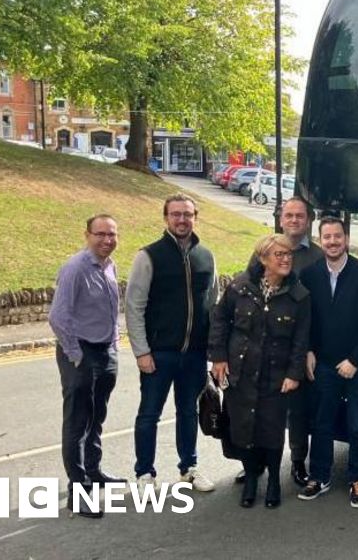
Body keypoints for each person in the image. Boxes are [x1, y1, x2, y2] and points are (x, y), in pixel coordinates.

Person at [209, 234, 311, 509]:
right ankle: (252, 477)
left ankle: (275, 480)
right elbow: (220, 320)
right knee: (243, 428)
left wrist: (294, 374)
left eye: (288, 254)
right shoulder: (241, 287)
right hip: (241, 372)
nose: (286, 259)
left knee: (272, 430)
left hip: (276, 376)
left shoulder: (298, 296)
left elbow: (301, 340)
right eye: (279, 254)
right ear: (263, 258)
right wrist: (218, 357)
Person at [126, 193, 217, 493]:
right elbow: (134, 306)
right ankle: (144, 474)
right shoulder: (149, 256)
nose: (182, 219)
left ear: (195, 217)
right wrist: (141, 351)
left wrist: (211, 350)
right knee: (149, 413)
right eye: (176, 214)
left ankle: (188, 469)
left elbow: (212, 304)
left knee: (188, 411)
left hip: (194, 354)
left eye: (187, 214)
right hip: (158, 353)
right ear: (166, 218)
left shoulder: (206, 256)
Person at [297, 216, 358, 508]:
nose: (332, 242)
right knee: (321, 422)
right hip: (323, 363)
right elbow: (305, 319)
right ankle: (319, 476)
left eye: (337, 236)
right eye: (327, 237)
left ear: (346, 239)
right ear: (320, 240)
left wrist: (355, 360)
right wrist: (309, 349)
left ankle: (357, 479)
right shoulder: (309, 275)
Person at [48, 214, 122, 519]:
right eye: (100, 234)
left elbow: (109, 308)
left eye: (112, 235)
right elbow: (58, 316)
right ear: (87, 235)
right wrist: (75, 353)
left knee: (97, 416)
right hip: (81, 354)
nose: (107, 240)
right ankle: (78, 492)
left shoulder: (109, 266)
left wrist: (114, 342)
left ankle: (93, 471)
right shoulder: (75, 268)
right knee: (77, 422)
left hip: (105, 351)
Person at [277, 197, 323, 487]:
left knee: (298, 411)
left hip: (301, 346)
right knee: (264, 407)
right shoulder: (267, 250)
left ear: (309, 220)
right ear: (282, 219)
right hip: (268, 344)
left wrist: (310, 348)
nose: (294, 220)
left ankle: (297, 462)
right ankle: (257, 461)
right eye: (289, 215)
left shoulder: (318, 257)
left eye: (300, 216)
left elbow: (319, 309)